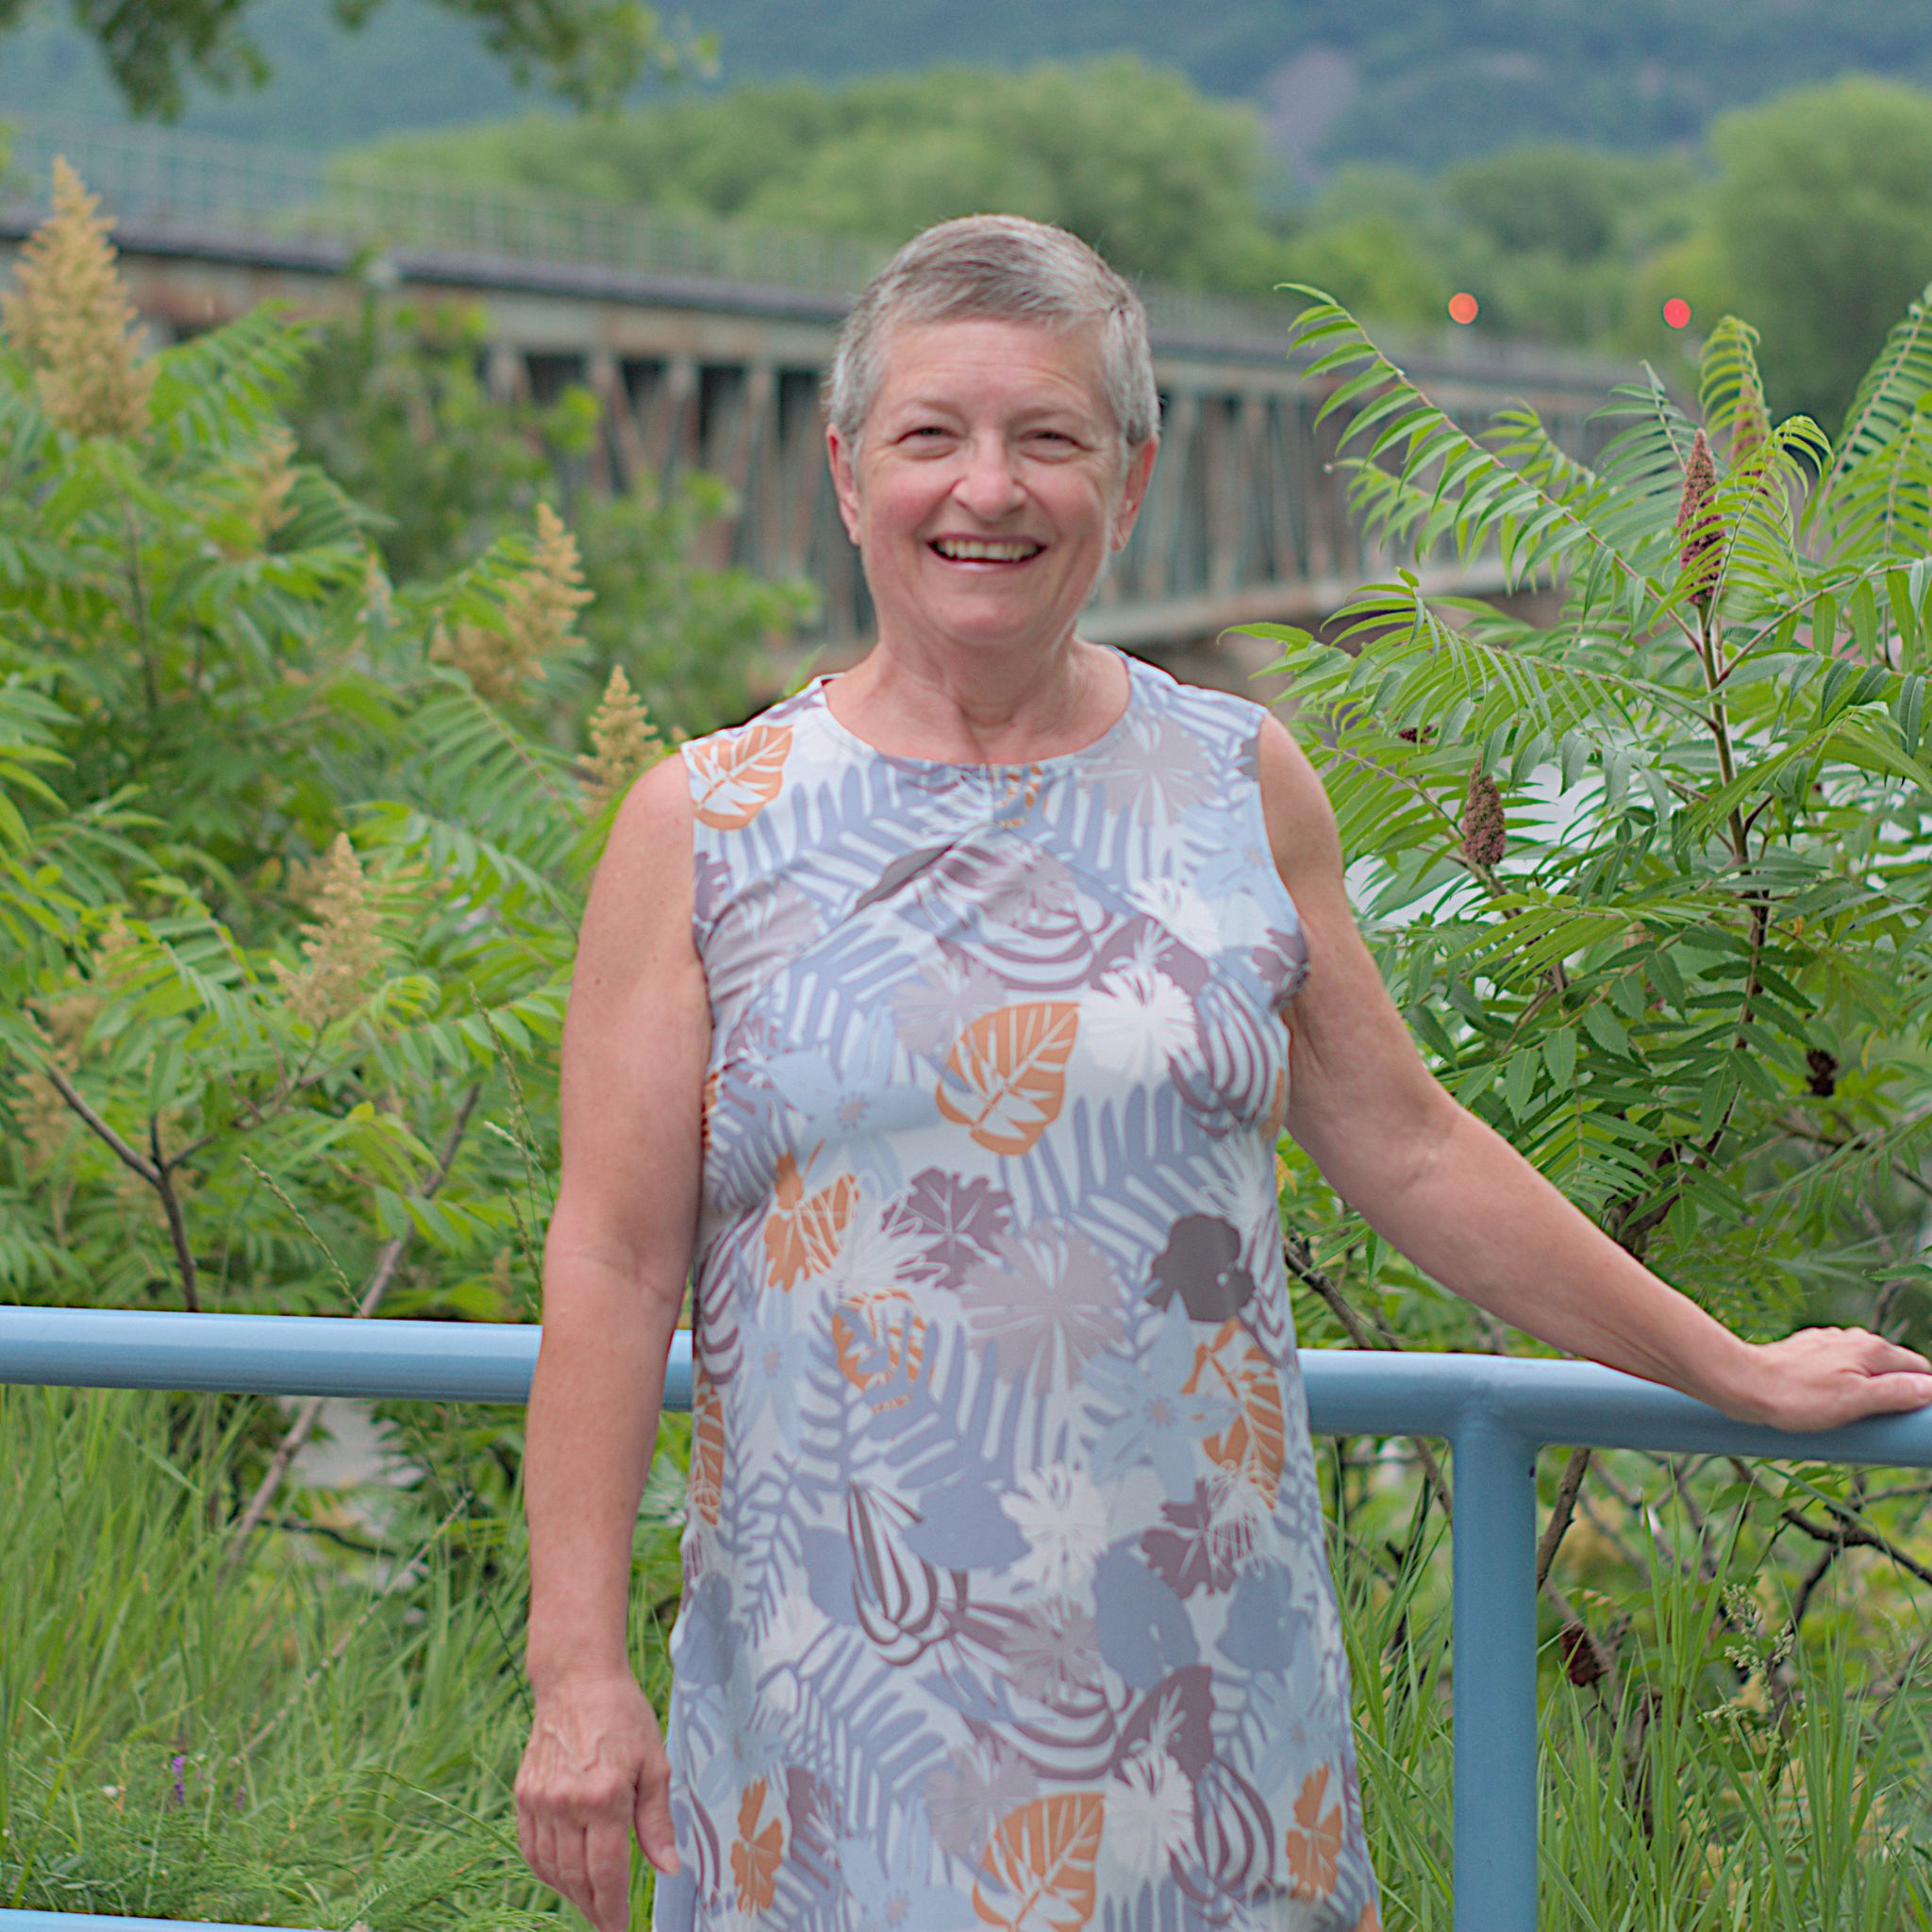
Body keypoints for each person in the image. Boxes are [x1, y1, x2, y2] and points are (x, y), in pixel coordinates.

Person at [512, 214, 1932, 1932]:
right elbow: (611, 1258)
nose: (990, 490)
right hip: (838, 1734)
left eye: (1050, 438)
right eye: (931, 438)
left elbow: (1408, 1149)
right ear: (843, 468)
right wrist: (576, 1679)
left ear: (1132, 472)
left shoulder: (1237, 780)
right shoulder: (708, 825)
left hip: (1206, 1715)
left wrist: (1736, 1374)